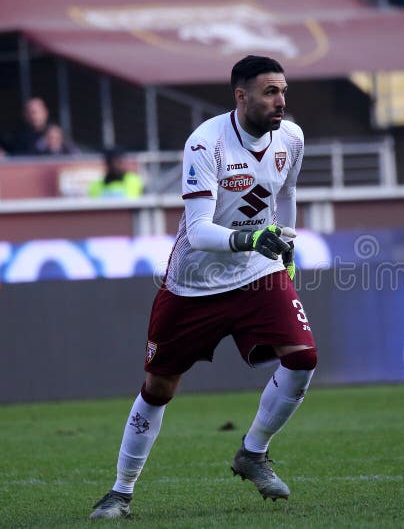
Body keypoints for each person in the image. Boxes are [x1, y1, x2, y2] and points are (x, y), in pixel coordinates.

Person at [89, 55, 316, 520]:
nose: (281, 101)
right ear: (241, 96)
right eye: (271, 92)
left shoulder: (291, 138)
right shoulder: (205, 144)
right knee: (158, 386)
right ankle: (121, 492)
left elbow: (286, 195)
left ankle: (253, 452)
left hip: (256, 272)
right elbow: (198, 232)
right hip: (194, 283)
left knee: (303, 357)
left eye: (283, 90)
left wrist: (285, 245)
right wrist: (254, 236)